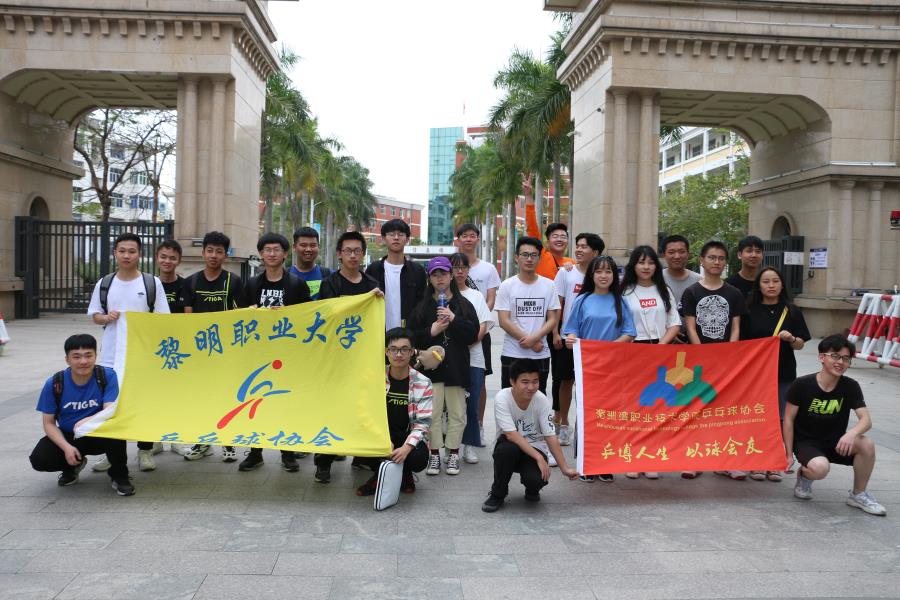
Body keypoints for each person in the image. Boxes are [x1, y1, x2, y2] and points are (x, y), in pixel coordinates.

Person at [87, 232, 169, 473]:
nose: (126, 255)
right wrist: (106, 318)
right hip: (111, 355)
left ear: (139, 254)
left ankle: (145, 450)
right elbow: (95, 315)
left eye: (132, 251)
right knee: (111, 404)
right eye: (122, 251)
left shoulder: (151, 283)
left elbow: (163, 319)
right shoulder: (104, 283)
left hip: (143, 355)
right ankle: (112, 453)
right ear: (115, 253)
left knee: (143, 402)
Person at [784, 335, 886, 516]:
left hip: (837, 442)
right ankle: (805, 476)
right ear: (821, 357)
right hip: (807, 443)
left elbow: (866, 420)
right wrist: (788, 454)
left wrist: (851, 434)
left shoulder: (850, 386)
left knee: (866, 444)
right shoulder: (802, 384)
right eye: (835, 356)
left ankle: (858, 495)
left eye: (846, 358)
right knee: (820, 468)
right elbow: (789, 420)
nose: (840, 362)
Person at [237, 232, 311, 473]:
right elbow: (241, 319)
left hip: (287, 354)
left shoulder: (297, 285)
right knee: (255, 403)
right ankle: (255, 452)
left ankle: (287, 453)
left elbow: (307, 318)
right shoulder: (251, 284)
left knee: (284, 402)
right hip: (258, 355)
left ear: (285, 254)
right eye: (267, 250)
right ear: (261, 254)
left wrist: (288, 313)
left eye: (276, 250)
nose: (271, 254)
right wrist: (250, 311)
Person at [314, 231, 382, 483]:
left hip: (363, 358)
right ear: (339, 254)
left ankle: (361, 455)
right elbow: (327, 316)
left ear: (363, 254)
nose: (353, 255)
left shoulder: (372, 284)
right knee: (331, 409)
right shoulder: (330, 283)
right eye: (348, 251)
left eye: (357, 251)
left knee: (362, 407)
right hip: (335, 358)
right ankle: (324, 462)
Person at [29, 334, 134, 496]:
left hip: (99, 433)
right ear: (67, 360)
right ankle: (72, 467)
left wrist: (88, 420)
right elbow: (48, 423)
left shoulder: (106, 376)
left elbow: (109, 411)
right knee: (39, 458)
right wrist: (67, 448)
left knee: (115, 430)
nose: (83, 361)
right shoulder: (55, 383)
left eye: (88, 355)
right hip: (70, 435)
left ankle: (120, 475)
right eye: (76, 357)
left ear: (95, 356)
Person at [562, 255, 636, 482]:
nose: (604, 276)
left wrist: (608, 349)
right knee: (586, 414)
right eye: (599, 271)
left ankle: (604, 463)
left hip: (613, 369)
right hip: (588, 367)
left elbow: (629, 333)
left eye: (608, 271)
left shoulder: (620, 301)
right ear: (591, 275)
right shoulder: (582, 300)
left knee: (609, 415)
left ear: (614, 275)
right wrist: (571, 339)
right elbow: (571, 329)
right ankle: (585, 464)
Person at [408, 256, 479, 477]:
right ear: (429, 278)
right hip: (431, 371)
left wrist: (454, 319)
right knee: (433, 415)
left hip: (456, 367)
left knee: (458, 414)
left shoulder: (463, 305)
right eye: (435, 275)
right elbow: (411, 337)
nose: (440, 279)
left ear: (451, 276)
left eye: (444, 274)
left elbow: (473, 334)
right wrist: (432, 331)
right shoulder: (421, 307)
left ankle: (454, 452)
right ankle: (435, 453)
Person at [681, 240, 746, 480]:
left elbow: (735, 327)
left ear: (725, 262)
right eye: (711, 257)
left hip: (727, 362)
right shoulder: (692, 292)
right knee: (696, 410)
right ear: (702, 260)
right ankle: (694, 460)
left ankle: (726, 461)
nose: (716, 262)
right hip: (698, 362)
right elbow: (690, 327)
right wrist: (703, 356)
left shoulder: (734, 293)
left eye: (720, 258)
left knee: (726, 412)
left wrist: (728, 355)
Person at [740, 266, 810, 482]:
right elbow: (741, 343)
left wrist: (791, 339)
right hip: (756, 375)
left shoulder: (792, 311)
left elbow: (801, 344)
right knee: (757, 416)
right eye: (766, 281)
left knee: (779, 418)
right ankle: (756, 461)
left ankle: (773, 462)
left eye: (775, 281)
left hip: (783, 372)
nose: (771, 285)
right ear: (758, 286)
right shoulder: (748, 310)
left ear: (782, 284)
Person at [481, 358, 578, 513]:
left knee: (536, 479)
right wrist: (539, 458)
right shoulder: (502, 398)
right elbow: (511, 435)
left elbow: (550, 435)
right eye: (525, 382)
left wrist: (564, 468)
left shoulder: (541, 400)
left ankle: (532, 489)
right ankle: (497, 493)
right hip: (509, 446)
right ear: (512, 382)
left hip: (535, 447)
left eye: (535, 381)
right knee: (506, 451)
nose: (531, 387)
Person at [182, 231, 245, 463]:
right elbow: (188, 319)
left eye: (219, 251)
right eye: (210, 250)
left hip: (226, 352)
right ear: (203, 253)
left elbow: (240, 315)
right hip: (200, 353)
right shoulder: (191, 282)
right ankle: (202, 442)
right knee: (202, 398)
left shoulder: (234, 282)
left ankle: (228, 443)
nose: (214, 255)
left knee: (227, 397)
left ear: (225, 255)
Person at [621, 245, 681, 480]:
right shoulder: (624, 291)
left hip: (660, 352)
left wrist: (660, 348)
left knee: (657, 406)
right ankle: (634, 457)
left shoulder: (664, 290)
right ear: (633, 265)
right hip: (632, 352)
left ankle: (651, 457)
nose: (646, 267)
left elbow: (674, 323)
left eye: (651, 262)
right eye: (641, 262)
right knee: (635, 406)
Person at [355, 328, 433, 496]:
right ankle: (379, 475)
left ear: (412, 352)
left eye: (404, 349)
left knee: (418, 458)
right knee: (361, 445)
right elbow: (363, 413)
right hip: (382, 433)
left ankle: (405, 474)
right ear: (386, 352)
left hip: (407, 435)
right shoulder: (374, 378)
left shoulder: (423, 382)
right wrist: (381, 438)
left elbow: (423, 423)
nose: (399, 354)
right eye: (393, 349)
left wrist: (406, 447)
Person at [552, 232, 603, 446]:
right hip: (568, 338)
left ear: (596, 252)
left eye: (584, 247)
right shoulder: (566, 273)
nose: (579, 250)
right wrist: (555, 332)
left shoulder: (601, 275)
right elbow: (556, 305)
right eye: (578, 246)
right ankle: (564, 424)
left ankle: (587, 425)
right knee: (565, 382)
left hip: (594, 340)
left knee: (591, 385)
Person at [495, 237, 561, 399]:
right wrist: (530, 341)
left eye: (533, 255)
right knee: (509, 398)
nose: (529, 259)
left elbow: (553, 318)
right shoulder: (507, 285)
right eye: (525, 255)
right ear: (517, 258)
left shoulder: (549, 285)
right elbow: (504, 321)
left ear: (539, 258)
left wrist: (534, 339)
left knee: (538, 397)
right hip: (513, 352)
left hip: (540, 353)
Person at [455, 223, 500, 445]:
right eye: (464, 236)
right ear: (458, 239)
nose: (468, 239)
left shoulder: (488, 268)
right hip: (455, 336)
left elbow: (490, 299)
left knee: (479, 381)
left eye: (472, 236)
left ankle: (478, 426)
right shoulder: (451, 265)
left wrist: (478, 323)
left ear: (478, 239)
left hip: (480, 330)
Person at [449, 252, 494, 464]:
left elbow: (484, 325)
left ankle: (469, 445)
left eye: (463, 267)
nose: (459, 271)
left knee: (472, 402)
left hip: (474, 356)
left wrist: (470, 342)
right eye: (455, 267)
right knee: (451, 405)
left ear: (468, 270)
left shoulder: (476, 296)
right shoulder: (443, 294)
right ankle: (451, 447)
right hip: (450, 358)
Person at [365, 218, 427, 329]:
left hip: (408, 334)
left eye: (401, 234)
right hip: (379, 332)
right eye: (391, 234)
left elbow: (423, 304)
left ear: (407, 239)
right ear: (384, 238)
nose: (396, 238)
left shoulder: (417, 271)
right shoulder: (373, 270)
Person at [661, 234, 701, 314]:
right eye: (671, 252)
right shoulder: (656, 278)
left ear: (688, 254)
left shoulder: (699, 280)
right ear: (664, 255)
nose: (677, 256)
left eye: (681, 252)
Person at [290, 226, 331, 300]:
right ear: (294, 247)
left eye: (313, 245)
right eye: (303, 245)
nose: (308, 249)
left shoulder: (330, 276)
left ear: (318, 247)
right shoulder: (284, 276)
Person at [157, 239, 187, 314]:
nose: (167, 261)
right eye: (163, 257)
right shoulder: (151, 285)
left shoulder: (186, 286)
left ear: (179, 261)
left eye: (172, 258)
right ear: (156, 258)